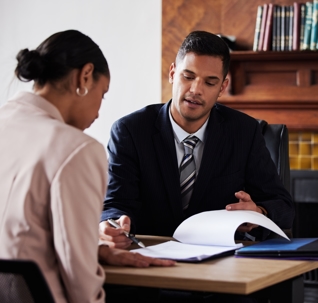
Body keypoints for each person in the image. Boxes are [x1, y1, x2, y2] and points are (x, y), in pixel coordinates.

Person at [0, 30, 174, 303]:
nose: (98, 112)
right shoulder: (77, 149)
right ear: (84, 76)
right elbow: (79, 278)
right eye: (102, 94)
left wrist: (96, 250)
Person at [99, 30, 294, 249]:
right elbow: (116, 204)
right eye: (188, 76)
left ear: (222, 87)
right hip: (149, 255)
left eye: (210, 83)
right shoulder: (130, 131)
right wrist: (112, 223)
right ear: (173, 73)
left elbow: (284, 207)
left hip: (221, 263)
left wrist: (259, 212)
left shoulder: (245, 132)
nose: (195, 90)